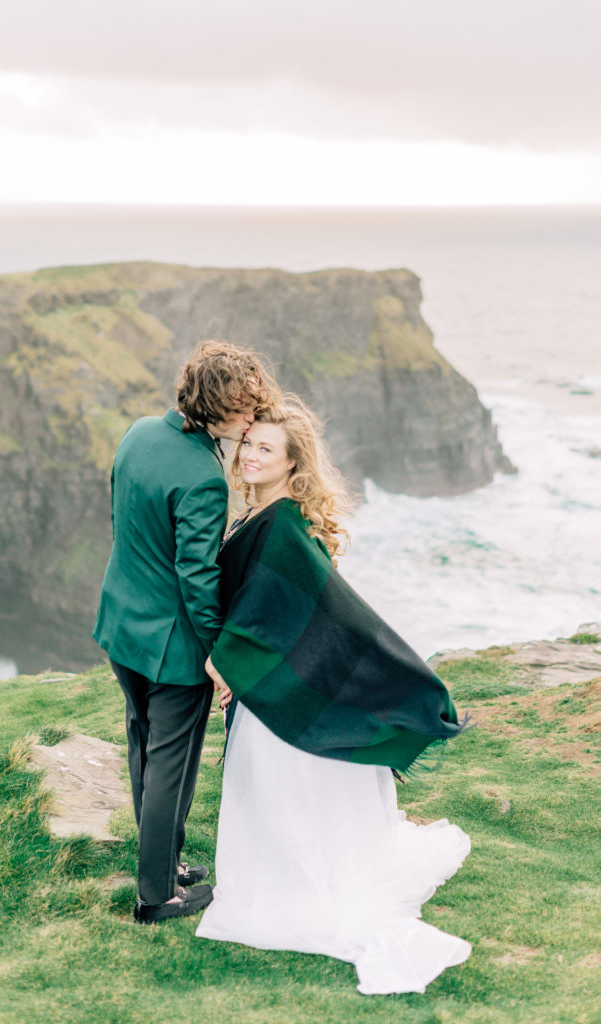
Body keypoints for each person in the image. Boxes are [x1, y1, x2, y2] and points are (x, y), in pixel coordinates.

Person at [197, 396, 472, 994]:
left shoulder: (282, 524)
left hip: (278, 700)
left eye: (265, 449)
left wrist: (226, 661)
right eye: (247, 444)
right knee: (278, 799)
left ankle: (298, 890)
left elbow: (278, 614)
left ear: (292, 464)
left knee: (286, 797)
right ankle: (293, 877)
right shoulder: (268, 515)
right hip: (272, 690)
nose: (249, 455)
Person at [93, 340, 275, 924]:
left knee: (143, 744)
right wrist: (221, 648)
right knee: (172, 763)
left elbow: (122, 517)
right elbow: (198, 578)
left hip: (122, 625)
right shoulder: (204, 477)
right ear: (218, 406)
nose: (251, 420)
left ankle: (163, 863)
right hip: (172, 646)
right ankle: (156, 897)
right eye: (245, 408)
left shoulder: (139, 433)